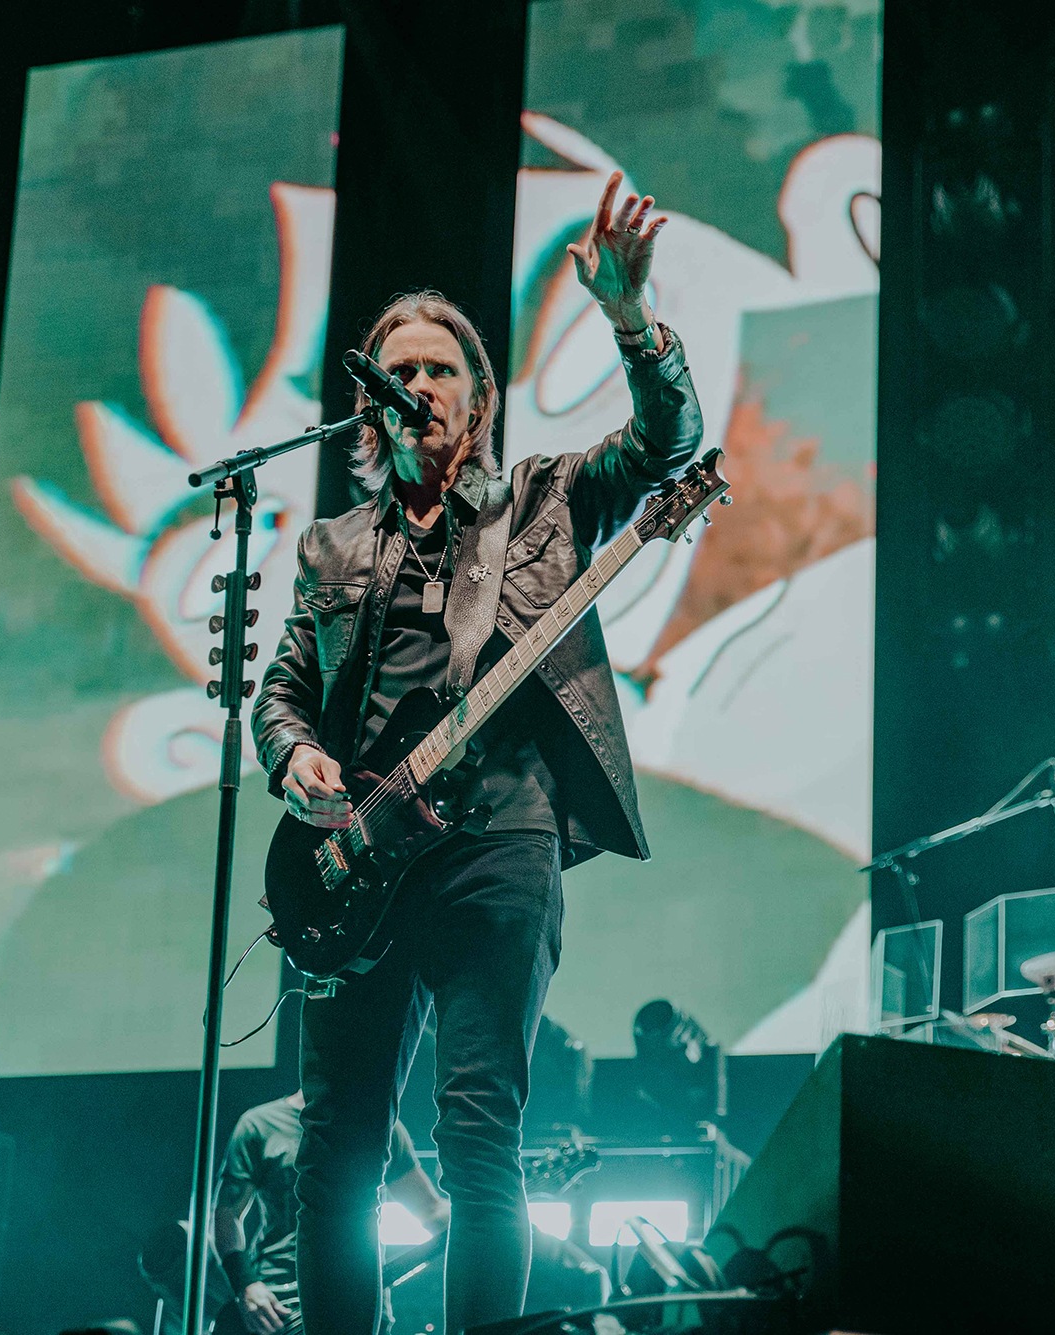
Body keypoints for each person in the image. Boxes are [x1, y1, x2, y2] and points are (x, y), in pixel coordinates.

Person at [251, 169, 703, 1334]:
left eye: (438, 370)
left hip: (497, 842)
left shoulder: (543, 501)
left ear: (477, 395)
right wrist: (293, 758)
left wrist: (630, 320)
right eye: (396, 372)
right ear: (369, 404)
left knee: (476, 1135)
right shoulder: (331, 546)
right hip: (356, 862)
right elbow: (283, 690)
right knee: (335, 1152)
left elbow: (667, 445)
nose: (416, 386)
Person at [212, 1091, 447, 1335]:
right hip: (281, 1306)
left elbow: (430, 1210)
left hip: (362, 1301)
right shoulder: (260, 1123)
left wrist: (471, 1212)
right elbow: (227, 1214)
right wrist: (245, 1283)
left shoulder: (381, 1125)